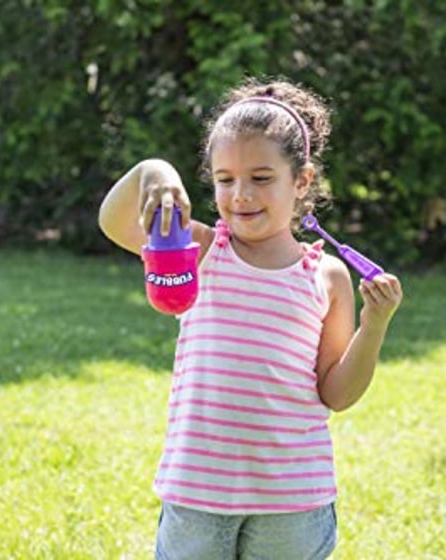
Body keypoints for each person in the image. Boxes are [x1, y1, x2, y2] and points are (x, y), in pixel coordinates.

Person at [98, 77, 403, 560]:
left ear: (301, 181)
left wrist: (375, 326)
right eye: (224, 180)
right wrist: (152, 173)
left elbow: (337, 393)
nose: (240, 194)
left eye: (261, 179)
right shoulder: (198, 251)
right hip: (199, 490)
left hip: (292, 500)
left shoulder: (326, 276)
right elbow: (114, 222)